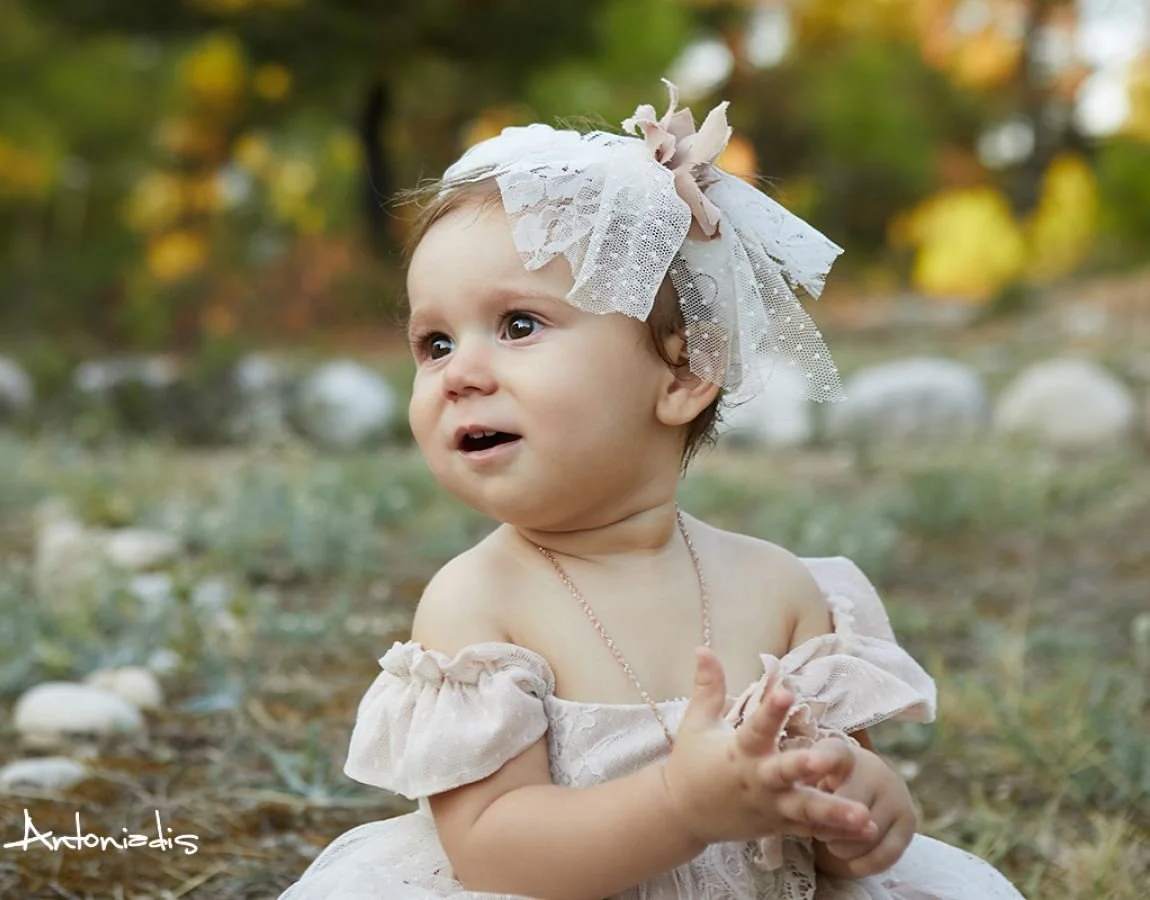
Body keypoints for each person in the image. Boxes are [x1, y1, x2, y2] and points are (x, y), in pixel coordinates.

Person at [279, 81, 1025, 900]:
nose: (459, 373)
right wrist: (682, 805)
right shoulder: (476, 606)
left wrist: (858, 802)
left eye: (518, 325)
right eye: (434, 342)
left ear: (684, 371)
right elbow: (492, 852)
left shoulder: (781, 590)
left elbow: (840, 844)